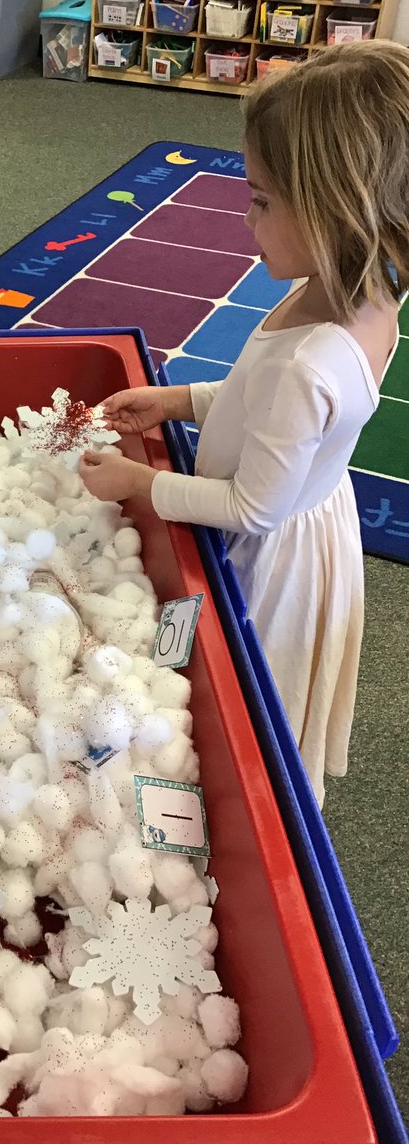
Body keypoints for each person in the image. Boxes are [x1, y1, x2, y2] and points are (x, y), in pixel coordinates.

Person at [79, 42, 409, 805]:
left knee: (246, 687)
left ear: (333, 210)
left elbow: (252, 505)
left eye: (262, 199)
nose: (245, 213)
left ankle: (252, 800)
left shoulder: (313, 360)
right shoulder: (354, 290)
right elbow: (265, 399)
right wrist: (183, 400)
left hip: (271, 544)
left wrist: (141, 481)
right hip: (307, 508)